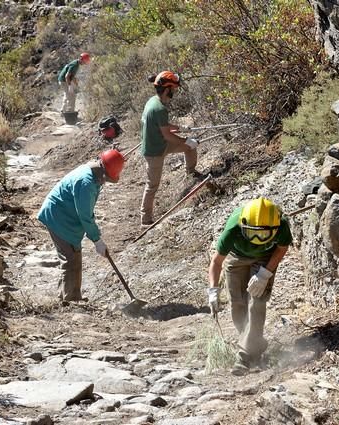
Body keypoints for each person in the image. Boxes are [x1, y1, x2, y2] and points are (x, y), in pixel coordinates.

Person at [207, 197, 293, 375]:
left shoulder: (281, 224)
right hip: (236, 257)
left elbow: (282, 248)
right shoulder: (233, 227)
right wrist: (213, 291)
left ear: (274, 229)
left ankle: (245, 356)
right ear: (244, 226)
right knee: (237, 303)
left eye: (263, 235)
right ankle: (254, 343)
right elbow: (216, 262)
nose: (256, 239)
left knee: (256, 301)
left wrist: (265, 274)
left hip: (264, 258)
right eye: (253, 233)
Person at [37, 149, 125, 302]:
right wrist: (97, 240)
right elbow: (85, 216)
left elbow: (86, 213)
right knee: (71, 259)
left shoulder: (92, 172)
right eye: (108, 179)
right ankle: (71, 301)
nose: (106, 182)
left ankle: (67, 296)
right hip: (58, 218)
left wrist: (96, 236)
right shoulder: (86, 183)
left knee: (72, 258)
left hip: (63, 215)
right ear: (104, 173)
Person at [139, 70, 201, 226]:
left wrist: (180, 128)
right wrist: (186, 140)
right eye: (174, 88)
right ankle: (145, 219)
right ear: (167, 89)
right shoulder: (159, 108)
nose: (175, 91)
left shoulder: (152, 101)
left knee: (190, 148)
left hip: (160, 142)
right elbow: (167, 135)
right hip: (154, 151)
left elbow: (163, 127)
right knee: (152, 185)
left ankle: (191, 174)